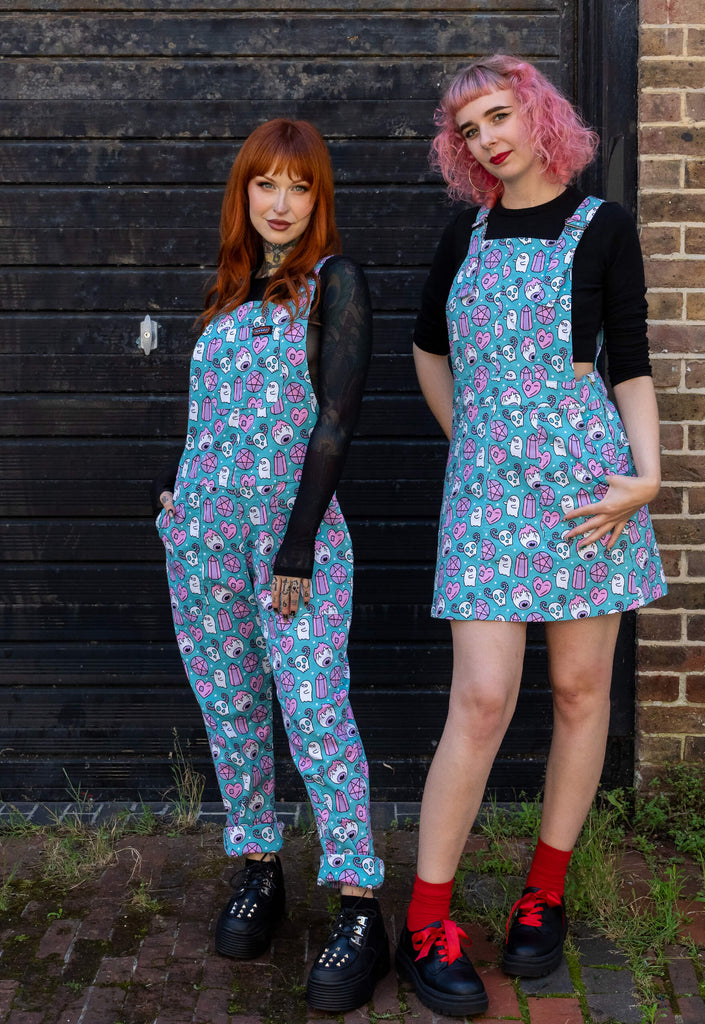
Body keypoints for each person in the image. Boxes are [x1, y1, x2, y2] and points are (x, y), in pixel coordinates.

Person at [396, 55, 667, 1016]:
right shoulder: (462, 236)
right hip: (485, 497)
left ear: (537, 113)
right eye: (467, 130)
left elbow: (628, 361)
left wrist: (646, 476)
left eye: (498, 116)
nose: (486, 140)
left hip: (587, 495)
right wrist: (471, 440)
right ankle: (426, 919)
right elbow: (428, 349)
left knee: (580, 691)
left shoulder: (604, 228)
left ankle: (542, 893)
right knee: (481, 699)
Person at [151, 118, 389, 1013]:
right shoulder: (227, 292)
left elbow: (335, 421)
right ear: (243, 192)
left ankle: (359, 905)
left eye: (299, 186)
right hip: (203, 538)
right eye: (265, 184)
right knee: (232, 706)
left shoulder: (336, 283)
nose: (280, 203)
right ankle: (259, 867)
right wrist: (175, 495)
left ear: (317, 198)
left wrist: (297, 545)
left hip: (293, 539)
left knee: (315, 708)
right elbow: (212, 419)